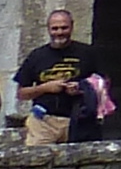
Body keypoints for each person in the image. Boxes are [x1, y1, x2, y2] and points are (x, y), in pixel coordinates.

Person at [14, 9, 109, 143]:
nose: (59, 32)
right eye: (55, 28)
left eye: (64, 28)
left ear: (72, 26)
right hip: (43, 122)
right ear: (48, 29)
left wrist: (81, 88)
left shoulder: (88, 53)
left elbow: (104, 83)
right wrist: (45, 88)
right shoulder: (36, 56)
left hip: (78, 121)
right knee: (37, 160)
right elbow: (21, 94)